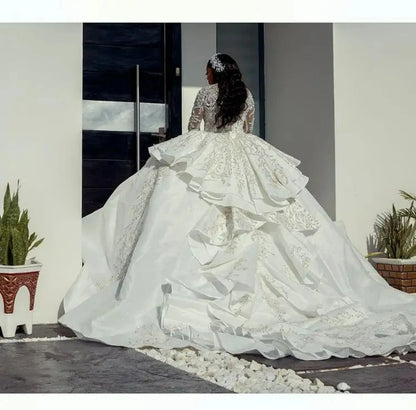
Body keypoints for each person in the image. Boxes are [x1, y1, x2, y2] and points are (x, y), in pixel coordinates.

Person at [59, 53, 416, 360]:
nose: (205, 76)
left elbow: (194, 128)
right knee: (265, 212)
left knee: (184, 213)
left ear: (215, 72)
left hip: (209, 152)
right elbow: (246, 129)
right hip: (247, 156)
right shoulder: (245, 95)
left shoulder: (205, 94)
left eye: (207, 71)